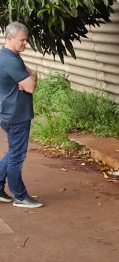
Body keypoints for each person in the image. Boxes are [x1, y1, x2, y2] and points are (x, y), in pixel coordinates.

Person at [0, 21, 43, 208]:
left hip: (9, 111)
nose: (25, 43)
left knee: (13, 152)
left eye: (26, 40)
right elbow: (31, 86)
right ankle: (20, 196)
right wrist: (31, 76)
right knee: (17, 156)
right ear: (9, 38)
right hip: (16, 114)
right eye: (22, 40)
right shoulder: (10, 60)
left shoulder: (6, 56)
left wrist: (29, 76)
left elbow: (29, 79)